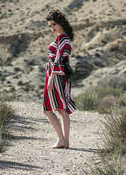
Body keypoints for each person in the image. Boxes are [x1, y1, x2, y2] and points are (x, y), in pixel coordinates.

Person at [44, 10, 75, 149]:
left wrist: (51, 77)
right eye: (50, 26)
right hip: (57, 75)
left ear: (60, 23)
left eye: (54, 24)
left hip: (56, 76)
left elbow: (61, 59)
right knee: (60, 109)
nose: (52, 28)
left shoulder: (63, 39)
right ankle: (64, 141)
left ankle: (62, 139)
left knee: (48, 109)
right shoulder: (62, 38)